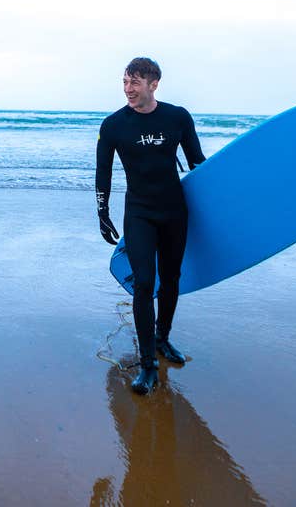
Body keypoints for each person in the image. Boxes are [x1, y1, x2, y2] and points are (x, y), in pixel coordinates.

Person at [95, 57, 205, 394]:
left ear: (153, 84)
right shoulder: (114, 124)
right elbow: (104, 171)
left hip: (174, 210)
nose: (128, 89)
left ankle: (163, 338)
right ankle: (147, 364)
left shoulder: (177, 117)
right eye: (125, 82)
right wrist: (102, 211)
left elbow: (197, 163)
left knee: (171, 279)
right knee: (144, 283)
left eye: (135, 83)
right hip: (139, 211)